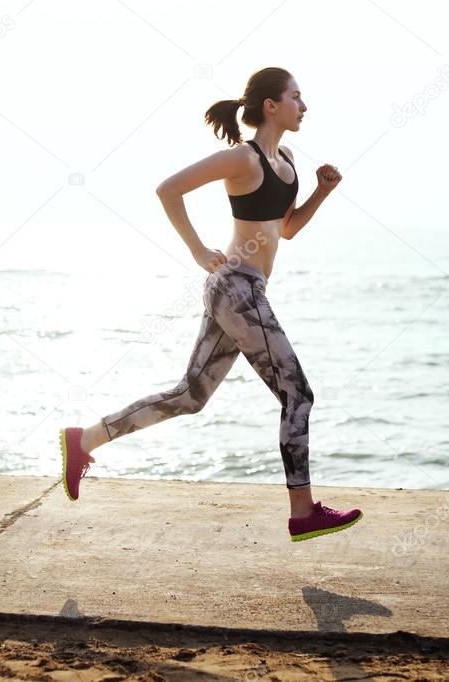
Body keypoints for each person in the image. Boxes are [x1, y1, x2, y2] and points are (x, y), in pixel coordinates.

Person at [60, 67, 360, 542]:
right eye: (296, 98)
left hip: (244, 292)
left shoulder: (286, 159)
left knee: (190, 396)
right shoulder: (242, 158)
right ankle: (302, 512)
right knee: (297, 394)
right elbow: (168, 189)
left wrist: (321, 193)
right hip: (234, 288)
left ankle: (86, 439)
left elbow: (286, 228)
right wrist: (198, 250)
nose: (304, 106)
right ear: (271, 106)